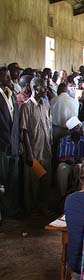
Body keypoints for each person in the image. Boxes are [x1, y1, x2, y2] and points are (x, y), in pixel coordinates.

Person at [20, 77, 52, 215]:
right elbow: (24, 131)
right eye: (43, 87)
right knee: (32, 182)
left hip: (46, 150)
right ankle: (31, 209)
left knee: (45, 180)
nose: (46, 89)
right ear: (35, 88)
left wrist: (50, 143)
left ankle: (42, 206)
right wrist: (29, 153)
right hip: (34, 151)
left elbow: (49, 126)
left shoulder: (46, 104)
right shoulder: (27, 106)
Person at [0, 67, 21, 217]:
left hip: (13, 145)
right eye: (6, 77)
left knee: (13, 180)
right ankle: (4, 211)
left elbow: (16, 121)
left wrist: (18, 142)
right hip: (2, 146)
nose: (9, 79)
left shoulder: (12, 95)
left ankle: (10, 210)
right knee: (2, 180)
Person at [56, 116, 84, 197]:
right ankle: (63, 195)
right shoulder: (63, 141)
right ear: (71, 131)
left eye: (80, 127)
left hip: (81, 163)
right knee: (62, 168)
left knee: (79, 168)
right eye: (78, 128)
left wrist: (80, 159)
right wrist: (68, 159)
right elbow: (59, 158)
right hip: (67, 163)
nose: (81, 130)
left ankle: (77, 194)